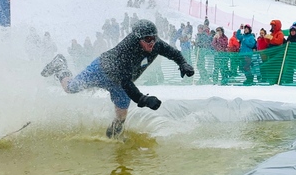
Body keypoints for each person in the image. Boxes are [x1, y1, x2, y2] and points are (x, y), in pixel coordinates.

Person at [41, 20, 194, 138]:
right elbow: (126, 83)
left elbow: (174, 53)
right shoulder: (127, 50)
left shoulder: (156, 44)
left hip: (119, 82)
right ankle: (60, 65)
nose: (152, 42)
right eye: (148, 39)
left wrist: (183, 63)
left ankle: (113, 136)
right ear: (138, 39)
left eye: (154, 38)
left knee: (121, 116)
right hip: (101, 70)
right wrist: (143, 99)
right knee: (70, 88)